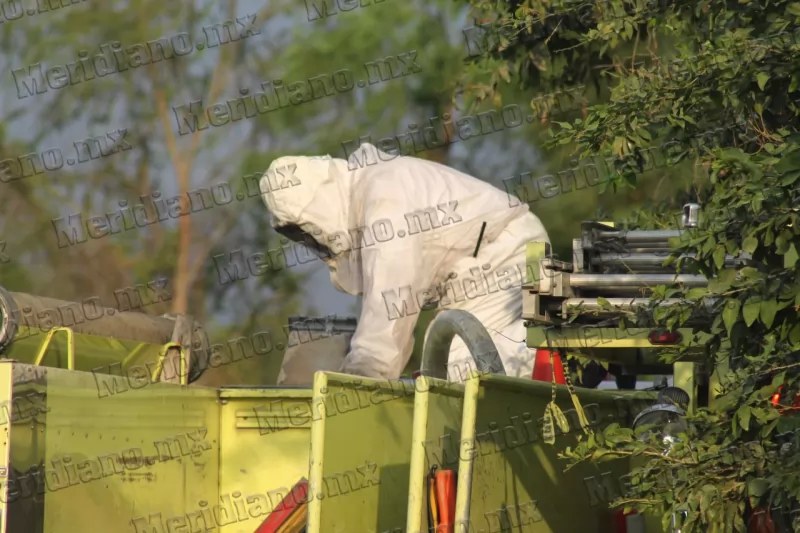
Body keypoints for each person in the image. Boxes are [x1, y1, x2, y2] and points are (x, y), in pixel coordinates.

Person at [259, 143, 550, 382]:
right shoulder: (370, 192)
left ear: (318, 201)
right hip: (482, 273)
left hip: (506, 263)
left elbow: (388, 310)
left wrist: (357, 383)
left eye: (304, 229)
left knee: (472, 385)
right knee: (450, 381)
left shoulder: (385, 200)